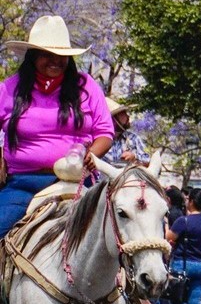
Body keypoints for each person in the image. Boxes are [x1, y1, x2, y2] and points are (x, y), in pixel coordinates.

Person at [0, 16, 114, 237]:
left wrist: (92, 155)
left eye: (61, 56)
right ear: (32, 56)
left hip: (77, 181)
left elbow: (105, 132)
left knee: (113, 237)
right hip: (24, 183)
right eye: (46, 54)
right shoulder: (9, 89)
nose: (55, 60)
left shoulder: (86, 86)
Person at [108, 99, 150, 164]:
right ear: (113, 119)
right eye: (123, 113)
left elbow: (148, 162)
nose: (128, 116)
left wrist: (135, 158)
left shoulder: (133, 138)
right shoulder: (98, 141)